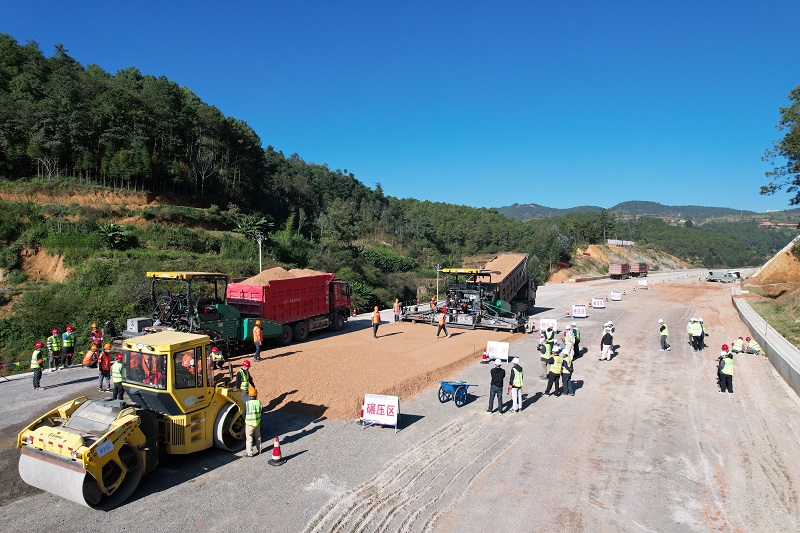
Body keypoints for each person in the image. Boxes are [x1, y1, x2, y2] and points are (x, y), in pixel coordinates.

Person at [244, 387, 263, 457]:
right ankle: (260, 450)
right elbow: (261, 412)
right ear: (256, 395)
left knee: (249, 438)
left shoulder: (247, 403)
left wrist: (245, 421)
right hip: (257, 423)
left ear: (249, 395)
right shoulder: (259, 402)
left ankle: (250, 453)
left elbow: (243, 414)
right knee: (258, 437)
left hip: (249, 424)